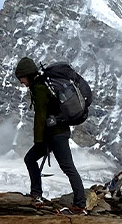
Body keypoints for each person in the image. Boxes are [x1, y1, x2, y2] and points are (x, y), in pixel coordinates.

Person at [16, 57, 86, 213]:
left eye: (21, 78)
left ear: (27, 74)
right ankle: (37, 194)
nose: (21, 82)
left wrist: (39, 141)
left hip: (56, 134)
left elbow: (40, 116)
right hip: (55, 133)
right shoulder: (41, 85)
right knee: (33, 160)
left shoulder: (40, 88)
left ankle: (80, 204)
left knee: (67, 167)